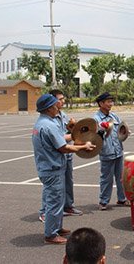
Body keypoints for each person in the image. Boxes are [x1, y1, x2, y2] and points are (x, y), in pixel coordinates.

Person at [32, 94, 95, 244]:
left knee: (58, 200)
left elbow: (61, 138)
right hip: (52, 168)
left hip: (47, 166)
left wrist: (76, 133)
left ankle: (57, 227)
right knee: (54, 201)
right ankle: (51, 234)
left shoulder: (42, 123)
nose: (58, 107)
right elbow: (64, 148)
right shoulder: (49, 125)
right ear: (49, 108)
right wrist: (84, 146)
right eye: (55, 105)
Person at [39, 89, 82, 223]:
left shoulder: (62, 115)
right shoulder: (48, 122)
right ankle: (45, 212)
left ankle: (68, 206)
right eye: (60, 99)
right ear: (51, 102)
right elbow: (59, 139)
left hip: (65, 156)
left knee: (67, 182)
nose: (63, 101)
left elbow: (67, 130)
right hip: (58, 155)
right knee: (53, 188)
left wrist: (73, 126)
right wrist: (77, 138)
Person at [94, 92, 129, 210]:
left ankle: (122, 199)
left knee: (121, 177)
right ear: (101, 103)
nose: (111, 104)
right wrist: (101, 129)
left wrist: (125, 132)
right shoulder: (95, 119)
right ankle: (103, 201)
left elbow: (120, 130)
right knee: (106, 178)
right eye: (108, 101)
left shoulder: (114, 117)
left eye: (111, 101)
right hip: (106, 152)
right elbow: (94, 137)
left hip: (118, 151)